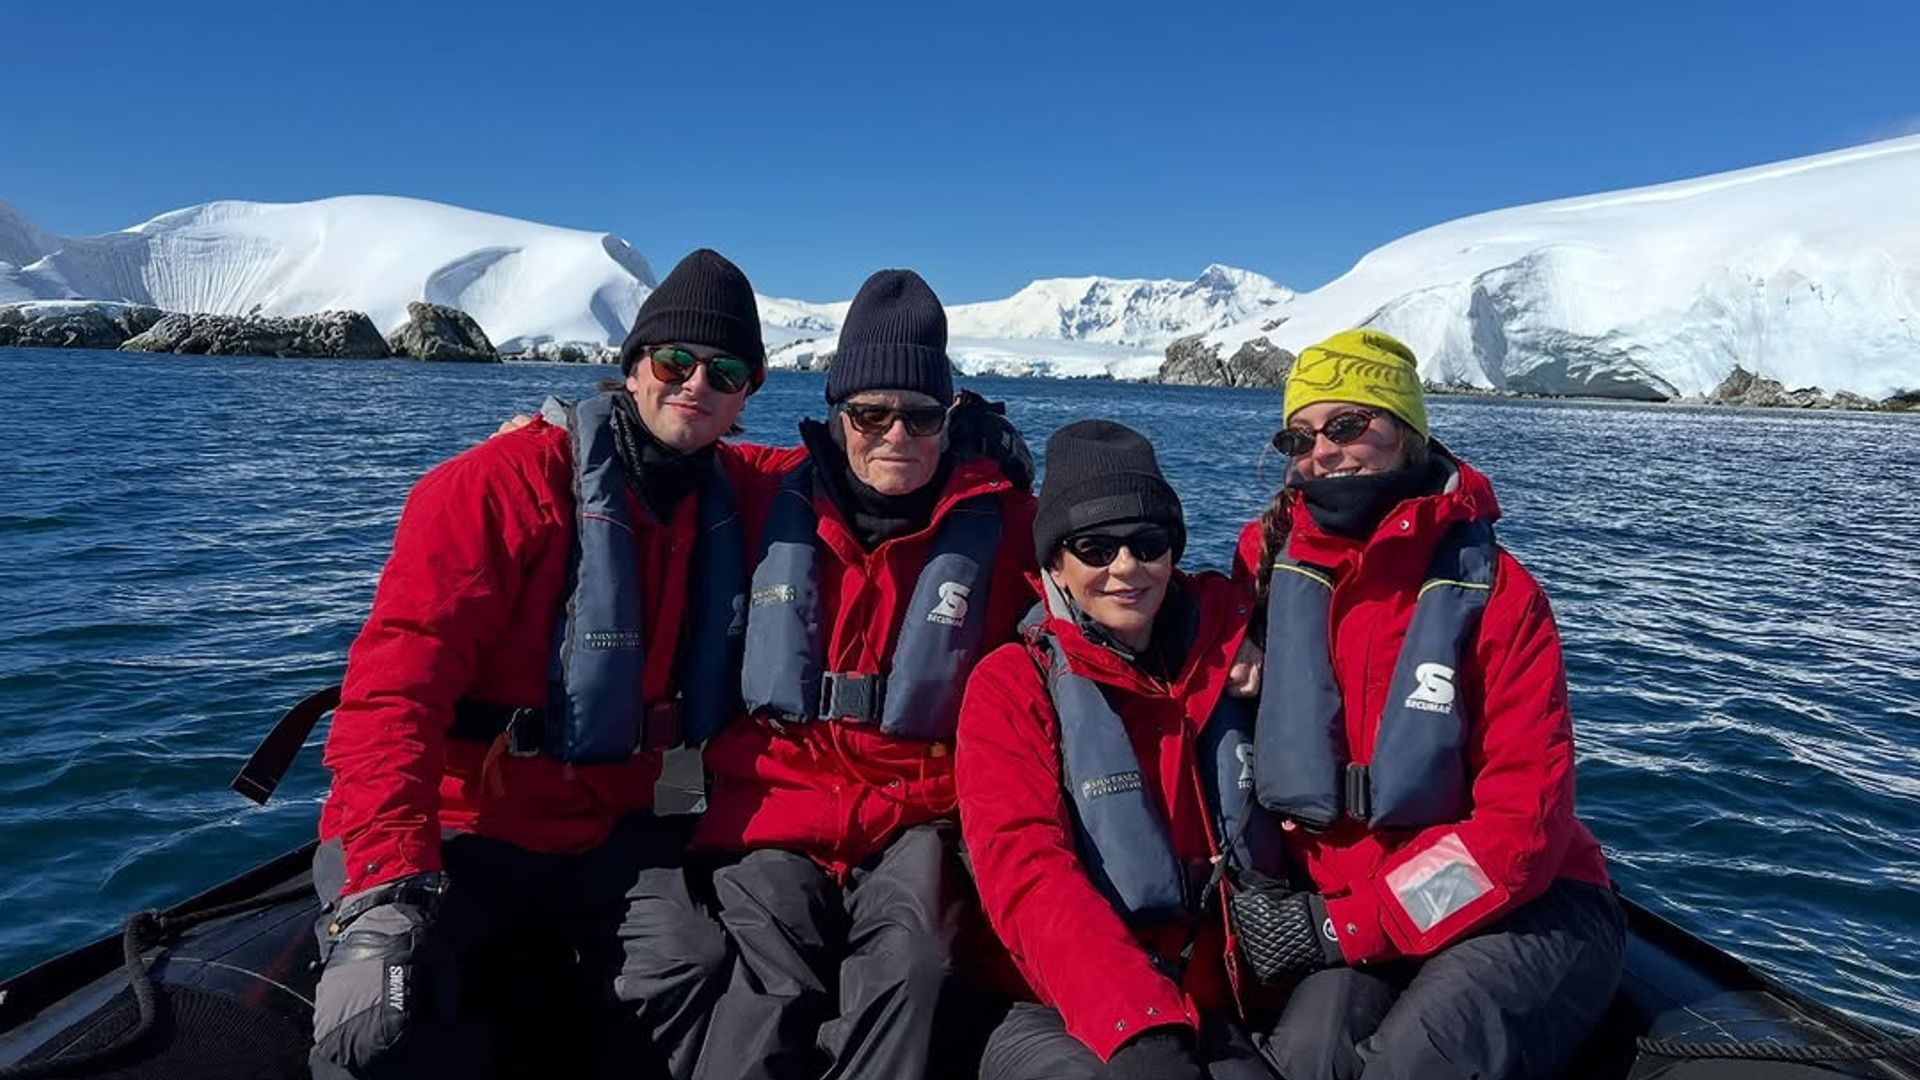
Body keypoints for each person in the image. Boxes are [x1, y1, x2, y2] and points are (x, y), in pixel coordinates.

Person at [309, 249, 786, 1080]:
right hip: (465, 826)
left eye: (726, 370)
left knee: (694, 966)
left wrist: (969, 439)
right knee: (385, 1015)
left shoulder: (730, 489)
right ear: (633, 366)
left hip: (607, 832)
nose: (696, 385)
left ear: (747, 394)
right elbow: (393, 695)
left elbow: (869, 468)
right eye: (675, 360)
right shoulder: (493, 487)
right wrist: (386, 884)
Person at [1231, 329, 1625, 1080]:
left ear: (1407, 430)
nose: (1323, 452)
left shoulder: (1500, 596)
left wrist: (1344, 925)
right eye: (1300, 435)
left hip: (1522, 906)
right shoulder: (1264, 568)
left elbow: (1522, 831)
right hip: (1353, 908)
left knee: (1413, 1064)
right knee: (1307, 1058)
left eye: (1348, 426)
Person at [684, 268, 1039, 1080]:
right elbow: (652, 452)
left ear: (950, 418)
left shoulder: (1012, 523)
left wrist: (1236, 637)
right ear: (836, 416)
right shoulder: (762, 490)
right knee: (763, 976)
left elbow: (1118, 568)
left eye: (918, 416)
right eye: (869, 415)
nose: (895, 436)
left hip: (918, 809)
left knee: (917, 967)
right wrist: (554, 433)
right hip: (773, 799)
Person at [957, 419, 1285, 1080]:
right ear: (1055, 562)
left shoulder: (1229, 652)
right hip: (1058, 1005)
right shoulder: (1010, 686)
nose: (1126, 568)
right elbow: (1026, 870)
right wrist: (1136, 1022)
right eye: (1095, 547)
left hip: (1218, 997)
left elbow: (1321, 525)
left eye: (1149, 543)